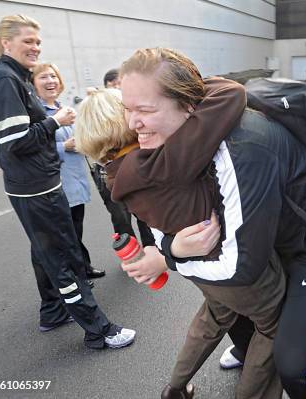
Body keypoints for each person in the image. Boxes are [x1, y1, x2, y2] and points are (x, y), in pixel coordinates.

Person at [77, 48, 306, 399]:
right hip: (274, 233)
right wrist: (172, 247)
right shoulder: (173, 142)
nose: (132, 124)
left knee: (299, 367)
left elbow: (242, 266)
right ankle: (255, 349)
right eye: (127, 108)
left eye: (145, 110)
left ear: (188, 106)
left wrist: (167, 257)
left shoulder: (239, 150)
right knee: (269, 321)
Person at [77, 79, 285, 398]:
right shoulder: (162, 159)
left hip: (196, 265)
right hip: (233, 261)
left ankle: (176, 387)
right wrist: (170, 86)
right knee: (275, 328)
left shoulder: (118, 174)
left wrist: (171, 252)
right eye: (134, 108)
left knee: (214, 315)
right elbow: (232, 94)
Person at [0, 14, 135, 349]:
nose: (35, 47)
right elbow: (16, 141)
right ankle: (99, 330)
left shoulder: (16, 78)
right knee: (64, 257)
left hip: (39, 183)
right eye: (28, 41)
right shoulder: (3, 80)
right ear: (7, 43)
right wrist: (56, 122)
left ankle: (52, 311)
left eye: (37, 41)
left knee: (45, 252)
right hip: (36, 188)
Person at [32, 63, 106, 285]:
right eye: (43, 76)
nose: (50, 80)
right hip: (56, 182)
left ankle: (82, 265)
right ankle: (76, 275)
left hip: (76, 181)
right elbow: (32, 148)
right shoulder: (37, 113)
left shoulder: (63, 109)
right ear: (33, 83)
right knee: (65, 233)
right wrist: (64, 146)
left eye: (53, 76)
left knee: (75, 228)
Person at [87, 68, 155, 247]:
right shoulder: (100, 107)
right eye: (114, 85)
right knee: (121, 218)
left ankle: (152, 249)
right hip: (109, 172)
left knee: (146, 218)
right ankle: (132, 254)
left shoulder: (141, 136)